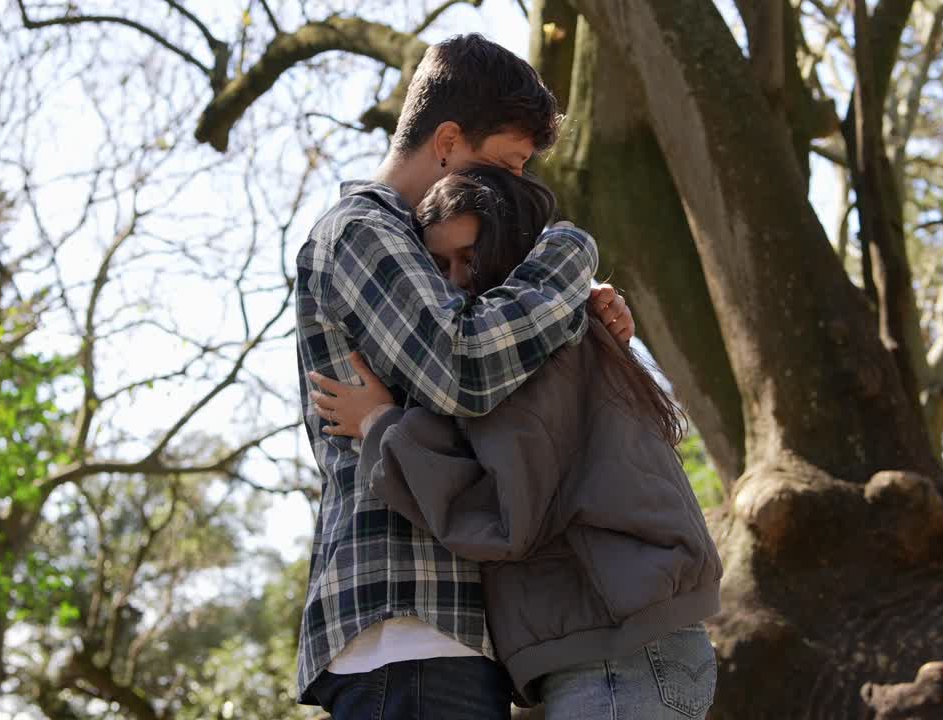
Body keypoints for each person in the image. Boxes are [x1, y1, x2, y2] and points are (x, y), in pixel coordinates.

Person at [294, 34, 635, 720]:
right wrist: (569, 260)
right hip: (409, 624)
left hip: (443, 637)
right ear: (447, 141)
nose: (519, 188)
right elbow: (465, 369)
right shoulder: (363, 231)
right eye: (508, 163)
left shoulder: (433, 247)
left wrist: (579, 309)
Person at [312, 167, 722, 719]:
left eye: (470, 256)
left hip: (618, 653)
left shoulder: (529, 358)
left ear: (509, 245)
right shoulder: (558, 327)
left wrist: (381, 426)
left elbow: (506, 518)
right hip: (623, 646)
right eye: (439, 266)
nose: (455, 281)